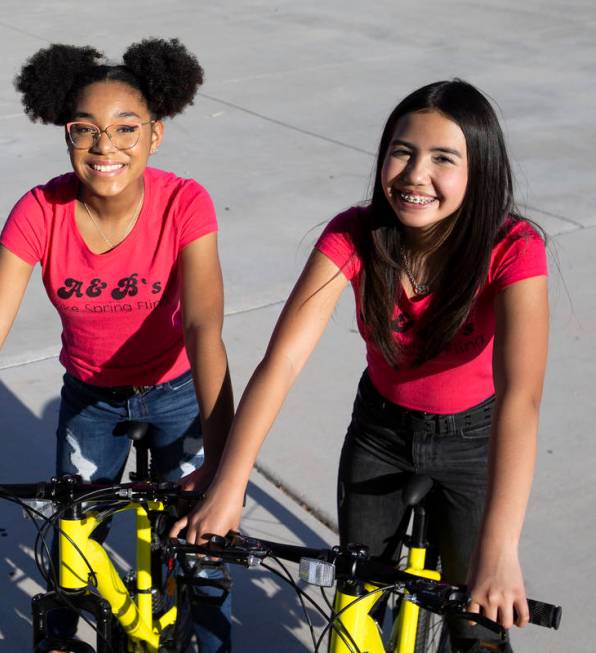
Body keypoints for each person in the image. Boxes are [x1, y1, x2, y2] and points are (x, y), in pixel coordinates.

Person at [175, 79, 547, 652]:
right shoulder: (354, 234)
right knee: (356, 607)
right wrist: (230, 482)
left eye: (443, 158)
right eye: (402, 151)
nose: (414, 175)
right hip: (380, 432)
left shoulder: (513, 246)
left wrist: (500, 552)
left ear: (481, 171)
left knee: (477, 625)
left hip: (475, 438)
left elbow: (520, 395)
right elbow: (283, 360)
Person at [0, 38, 234, 652]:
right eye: (85, 131)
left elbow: (203, 327)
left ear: (156, 135)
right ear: (66, 136)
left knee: (200, 562)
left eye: (126, 128)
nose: (106, 147)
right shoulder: (39, 210)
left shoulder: (185, 202)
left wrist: (223, 457)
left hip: (177, 394)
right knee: (72, 557)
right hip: (92, 401)